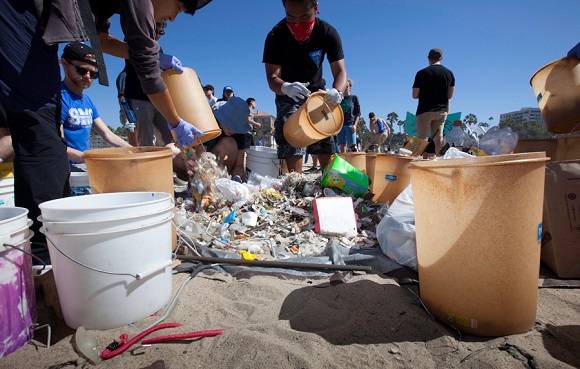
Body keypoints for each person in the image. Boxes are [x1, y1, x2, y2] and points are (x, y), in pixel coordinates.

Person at [263, 0, 347, 173]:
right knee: (291, 137)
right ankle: (295, 184)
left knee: (325, 140)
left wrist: (338, 91)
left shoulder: (327, 32)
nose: (297, 23)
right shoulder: (275, 36)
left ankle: (329, 183)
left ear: (316, 8)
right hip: (288, 92)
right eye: (290, 17)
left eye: (304, 17)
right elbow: (272, 78)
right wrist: (285, 87)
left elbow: (340, 72)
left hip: (318, 94)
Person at [60, 42, 132, 166]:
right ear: (65, 65)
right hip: (67, 167)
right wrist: (94, 158)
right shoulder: (58, 99)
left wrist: (134, 151)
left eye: (93, 74)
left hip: (84, 164)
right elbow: (57, 145)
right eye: (81, 70)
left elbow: (107, 134)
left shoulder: (87, 101)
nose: (87, 76)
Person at [412, 48, 455, 157]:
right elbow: (449, 95)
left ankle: (419, 164)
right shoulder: (449, 73)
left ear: (428, 58)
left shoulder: (421, 73)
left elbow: (415, 95)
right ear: (441, 58)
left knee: (422, 140)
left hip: (425, 110)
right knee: (438, 139)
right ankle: (439, 162)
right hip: (442, 110)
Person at [203, 97, 251, 181]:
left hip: (224, 168)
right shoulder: (208, 123)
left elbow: (239, 164)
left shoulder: (240, 133)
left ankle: (219, 179)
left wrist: (237, 177)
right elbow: (201, 155)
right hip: (203, 165)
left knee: (229, 143)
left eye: (235, 128)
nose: (232, 130)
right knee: (174, 152)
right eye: (229, 126)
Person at [337, 78, 360, 153]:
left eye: (346, 86)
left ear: (350, 87)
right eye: (343, 86)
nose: (345, 88)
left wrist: (355, 125)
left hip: (350, 125)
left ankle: (356, 162)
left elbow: (358, 114)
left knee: (352, 146)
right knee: (342, 146)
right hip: (341, 125)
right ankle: (344, 162)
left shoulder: (354, 98)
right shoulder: (340, 99)